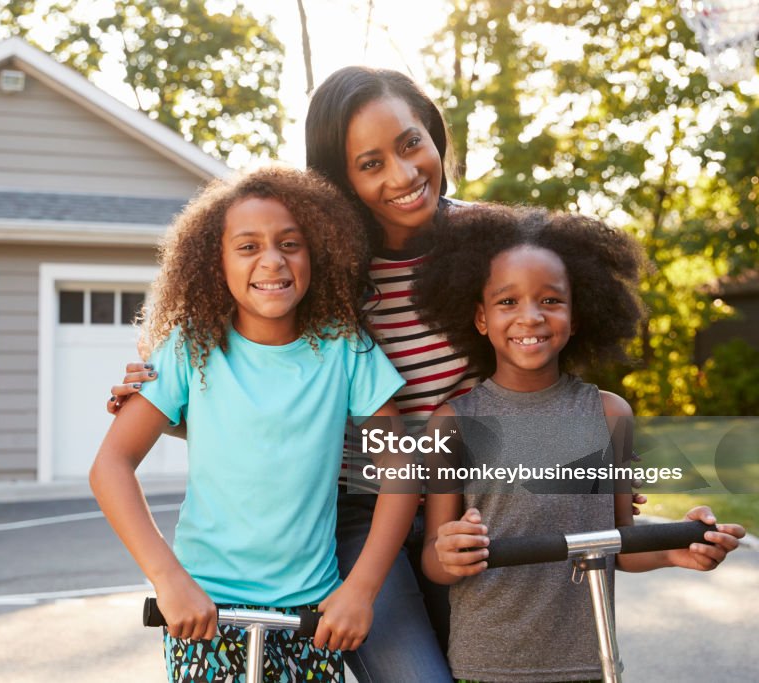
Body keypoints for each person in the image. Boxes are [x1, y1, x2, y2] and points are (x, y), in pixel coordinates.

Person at [108, 66, 650, 681]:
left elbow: (542, 362)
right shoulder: (324, 263)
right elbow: (266, 381)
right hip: (363, 515)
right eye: (369, 164)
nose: (402, 174)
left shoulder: (495, 246)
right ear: (339, 178)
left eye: (410, 143)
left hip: (484, 503)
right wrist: (166, 405)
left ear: (433, 134)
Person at [90, 166, 423, 683]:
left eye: (290, 243)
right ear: (214, 263)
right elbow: (110, 466)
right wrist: (169, 579)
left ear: (316, 253)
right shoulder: (189, 348)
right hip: (206, 611)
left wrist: (361, 589)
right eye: (248, 247)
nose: (273, 260)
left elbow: (402, 470)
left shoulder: (346, 348)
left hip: (312, 616)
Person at [416, 203, 746, 682]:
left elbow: (620, 544)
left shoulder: (610, 415)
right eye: (508, 302)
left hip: (592, 662)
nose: (530, 317)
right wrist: (448, 553)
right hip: (485, 665)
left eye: (550, 300)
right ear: (481, 318)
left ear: (576, 314)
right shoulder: (452, 423)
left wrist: (677, 548)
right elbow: (432, 558)